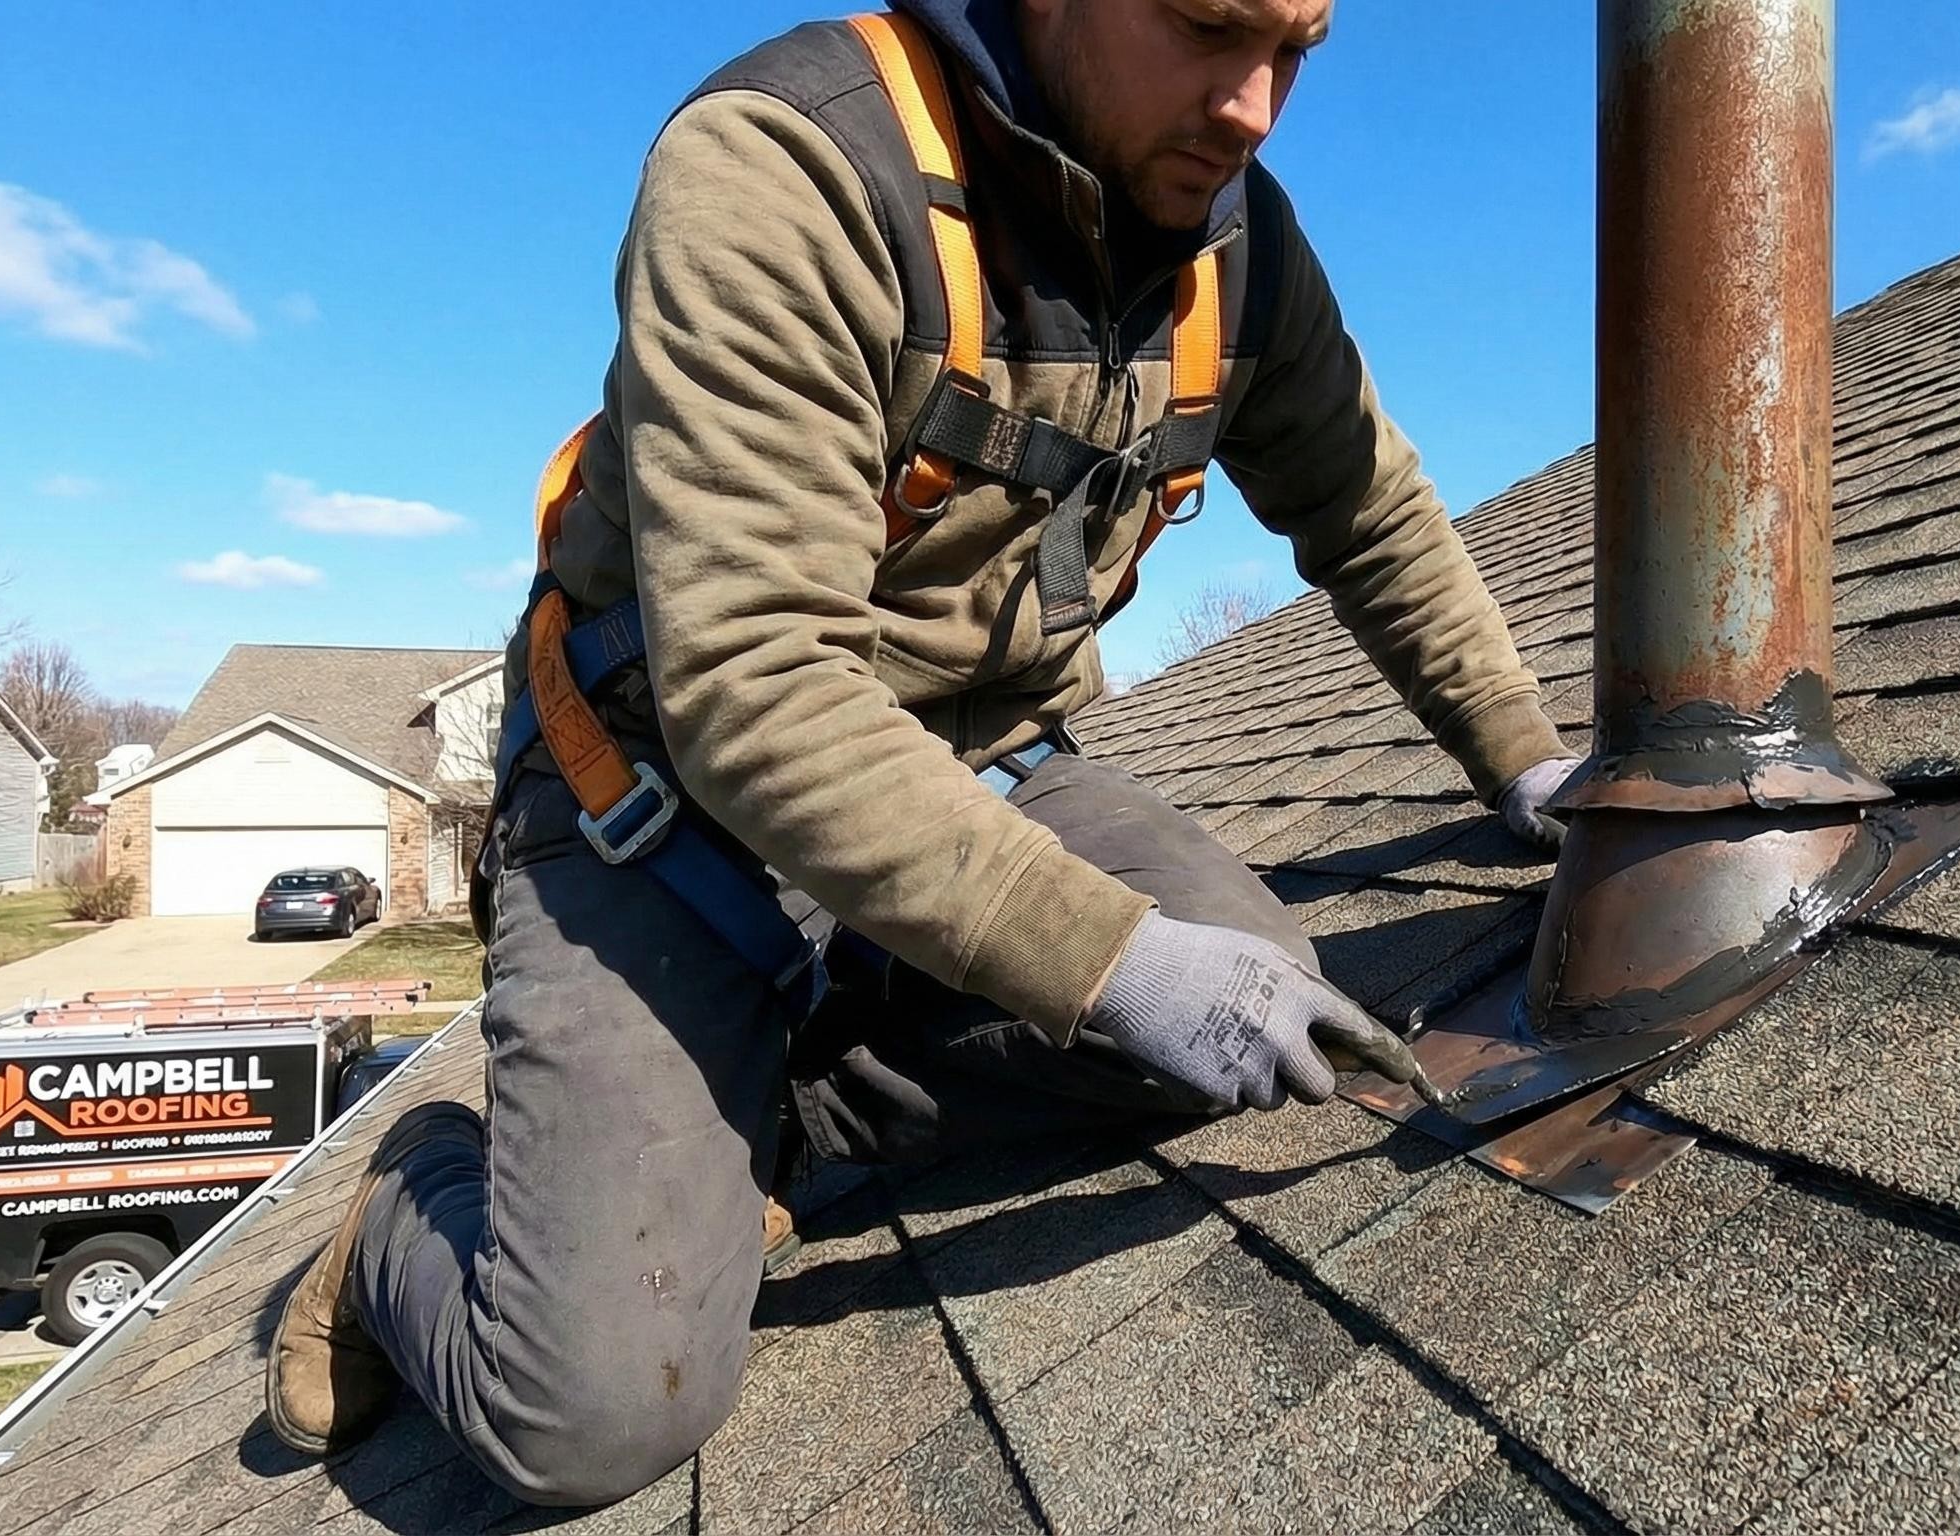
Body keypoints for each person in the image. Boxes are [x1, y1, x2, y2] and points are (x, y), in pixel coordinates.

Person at [265, 0, 1578, 1507]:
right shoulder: (793, 168)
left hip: (981, 768)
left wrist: (1530, 765)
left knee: (1255, 1006)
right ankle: (407, 1212)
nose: (1256, 107)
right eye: (1214, 29)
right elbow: (754, 691)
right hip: (664, 801)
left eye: (1298, 51)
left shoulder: (1238, 248)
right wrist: (1110, 959)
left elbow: (1371, 512)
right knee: (587, 1413)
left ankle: (765, 1135)